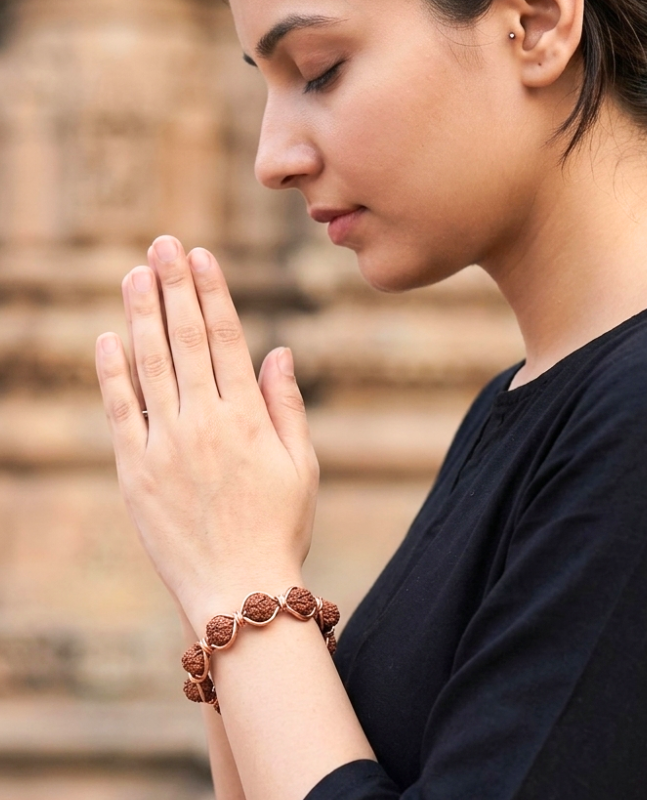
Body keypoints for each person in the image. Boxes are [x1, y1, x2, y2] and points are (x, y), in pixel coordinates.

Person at [95, 0, 647, 797]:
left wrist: (243, 578)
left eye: (321, 72)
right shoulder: (525, 403)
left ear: (536, 24)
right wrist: (213, 565)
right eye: (267, 83)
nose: (271, 158)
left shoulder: (632, 420)